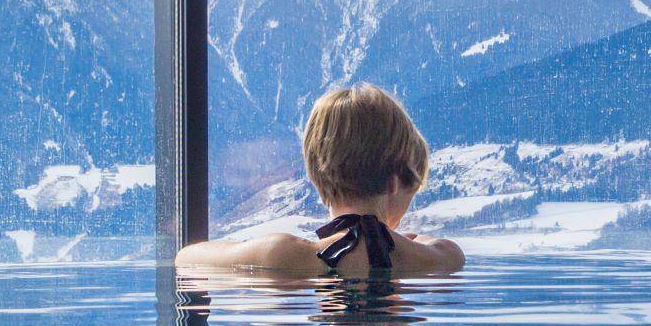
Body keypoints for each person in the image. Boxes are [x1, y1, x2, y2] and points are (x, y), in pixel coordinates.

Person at [176, 83, 465, 277]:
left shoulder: (285, 255)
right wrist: (405, 240)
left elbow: (187, 257)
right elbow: (447, 249)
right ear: (393, 183)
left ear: (317, 174)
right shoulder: (430, 258)